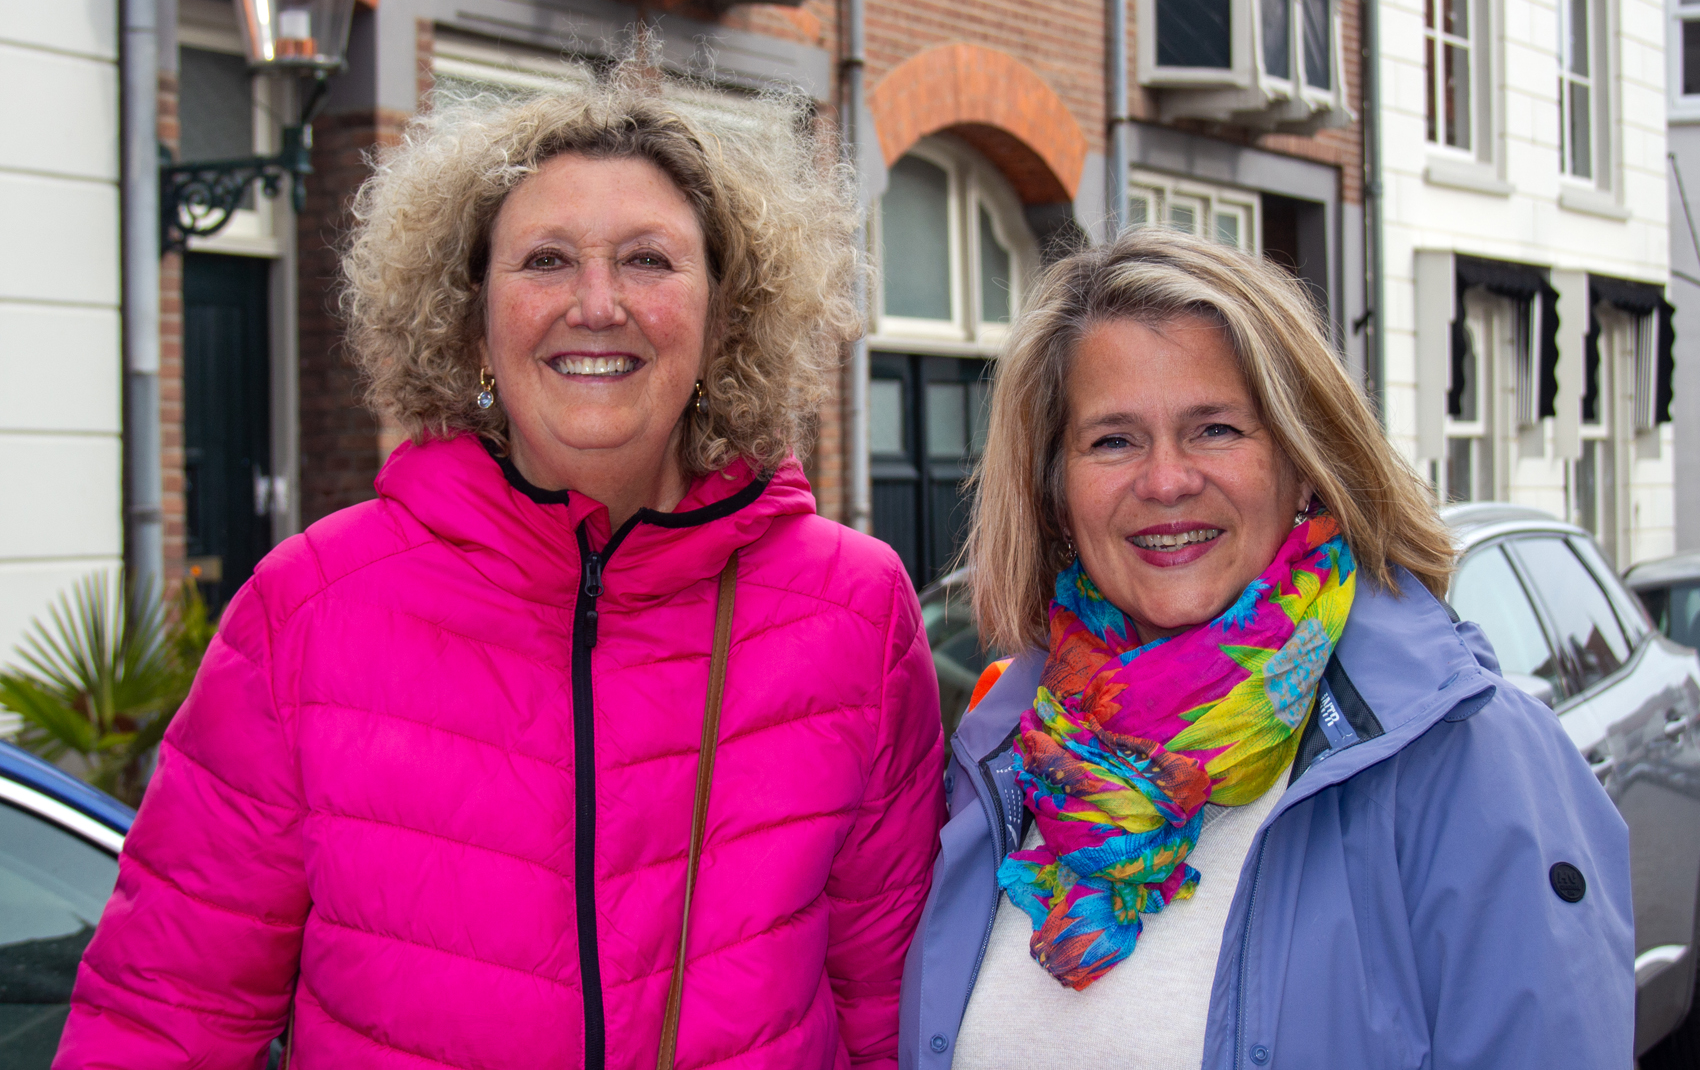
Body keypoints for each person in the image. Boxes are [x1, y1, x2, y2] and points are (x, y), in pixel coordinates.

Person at [56, 74, 945, 1069]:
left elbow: (897, 1019)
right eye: (545, 260)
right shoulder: (306, 609)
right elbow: (162, 1017)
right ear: (472, 317)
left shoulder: (854, 613)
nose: (596, 304)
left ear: (723, 318)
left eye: (647, 259)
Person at [897, 228, 1633, 1069]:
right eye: (1113, 440)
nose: (1166, 480)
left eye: (1215, 428)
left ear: (1305, 462)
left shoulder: (1462, 755)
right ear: (1057, 494)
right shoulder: (1000, 755)